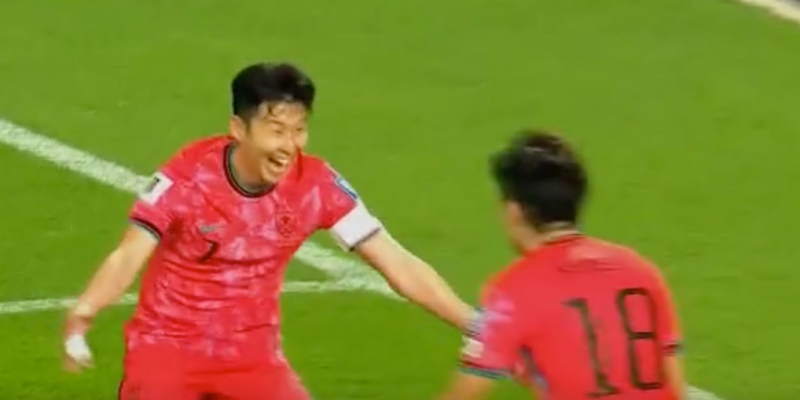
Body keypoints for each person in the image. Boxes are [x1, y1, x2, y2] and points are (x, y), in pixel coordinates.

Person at [62, 62, 473, 400]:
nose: (289, 146)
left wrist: (474, 323)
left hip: (252, 356)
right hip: (167, 348)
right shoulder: (188, 177)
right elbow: (130, 253)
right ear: (238, 129)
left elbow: (396, 261)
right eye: (276, 131)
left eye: (299, 130)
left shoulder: (316, 185)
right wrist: (87, 308)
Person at [434, 130, 686, 400]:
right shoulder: (642, 272)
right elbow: (675, 384)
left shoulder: (513, 292)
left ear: (514, 211)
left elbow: (468, 388)